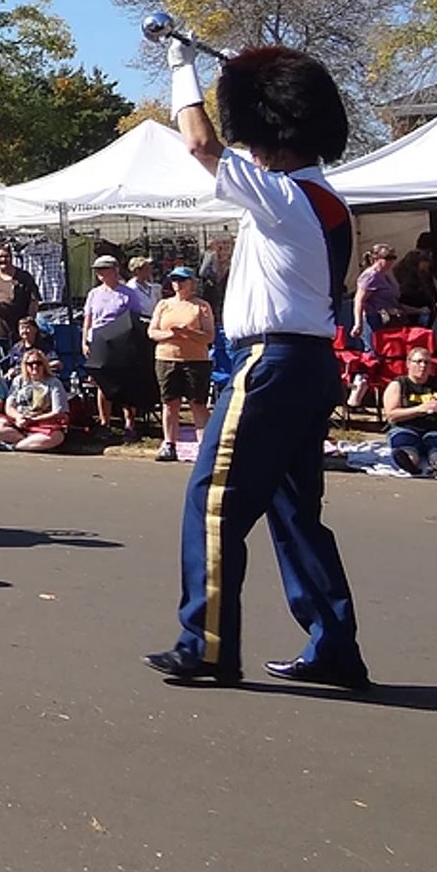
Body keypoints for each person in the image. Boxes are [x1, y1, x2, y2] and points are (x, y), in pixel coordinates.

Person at [144, 37, 369, 690]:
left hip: (271, 360)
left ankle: (207, 643)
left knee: (212, 501)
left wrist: (180, 66)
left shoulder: (284, 196)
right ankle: (334, 644)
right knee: (295, 513)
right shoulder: (326, 199)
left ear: (271, 133)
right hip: (308, 360)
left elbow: (200, 145)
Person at [148, 266, 217, 462]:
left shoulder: (201, 306)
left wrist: (188, 333)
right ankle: (169, 444)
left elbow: (209, 336)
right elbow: (153, 332)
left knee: (198, 403)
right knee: (170, 403)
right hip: (167, 358)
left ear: (192, 283)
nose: (178, 284)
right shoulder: (163, 305)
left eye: (182, 280)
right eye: (174, 280)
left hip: (196, 361)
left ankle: (205, 446)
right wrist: (172, 334)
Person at [82, 255, 149, 436]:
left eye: (104, 269)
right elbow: (88, 319)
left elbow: (136, 318)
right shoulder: (94, 294)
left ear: (115, 270)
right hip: (98, 341)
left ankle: (130, 424)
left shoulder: (128, 293)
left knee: (125, 382)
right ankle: (105, 423)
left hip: (121, 342)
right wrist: (84, 341)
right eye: (98, 271)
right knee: (102, 383)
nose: (100, 274)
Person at [381, 347, 437, 478]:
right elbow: (391, 415)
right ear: (408, 364)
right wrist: (419, 409)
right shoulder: (399, 384)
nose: (423, 366)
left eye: (427, 362)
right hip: (405, 427)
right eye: (418, 362)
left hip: (435, 428)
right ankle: (409, 464)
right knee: (406, 445)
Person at [0, 351, 70, 452]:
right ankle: (30, 443)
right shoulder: (18, 381)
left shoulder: (54, 383)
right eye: (30, 364)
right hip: (20, 422)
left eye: (38, 363)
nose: (34, 366)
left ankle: (13, 447)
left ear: (44, 365)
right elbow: (9, 407)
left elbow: (58, 412)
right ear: (25, 366)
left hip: (42, 423)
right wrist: (18, 417)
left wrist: (33, 419)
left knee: (57, 437)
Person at [0, 247, 38, 361]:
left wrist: (29, 322)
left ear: (11, 258)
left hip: (19, 333)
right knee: (0, 365)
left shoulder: (24, 277)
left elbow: (34, 300)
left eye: (6, 256)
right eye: (0, 257)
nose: (3, 259)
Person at [352, 244, 404, 352]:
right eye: (388, 258)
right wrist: (358, 323)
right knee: (373, 351)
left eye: (393, 258)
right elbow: (359, 300)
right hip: (372, 319)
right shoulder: (370, 276)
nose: (391, 261)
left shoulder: (385, 274)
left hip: (385, 318)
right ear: (376, 259)